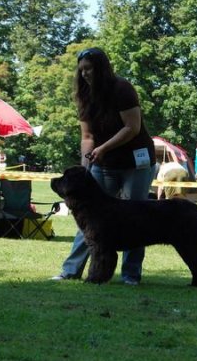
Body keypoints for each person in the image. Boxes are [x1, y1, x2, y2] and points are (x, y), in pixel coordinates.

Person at [52, 47, 156, 285]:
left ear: (102, 67)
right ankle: (70, 270)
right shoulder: (85, 96)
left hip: (135, 162)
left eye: (89, 68)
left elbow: (132, 127)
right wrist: (84, 167)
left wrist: (104, 148)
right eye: (81, 70)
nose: (85, 74)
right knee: (90, 219)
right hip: (103, 163)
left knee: (135, 218)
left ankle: (130, 275)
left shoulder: (122, 89)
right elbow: (87, 137)